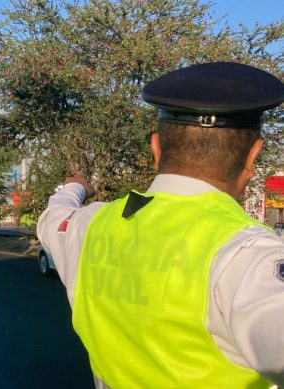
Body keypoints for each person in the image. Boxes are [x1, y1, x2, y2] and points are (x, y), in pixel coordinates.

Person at [37, 62, 284, 388]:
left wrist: (74, 187)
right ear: (253, 156)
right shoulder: (249, 254)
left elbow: (53, 218)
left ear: (156, 148)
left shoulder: (92, 225)